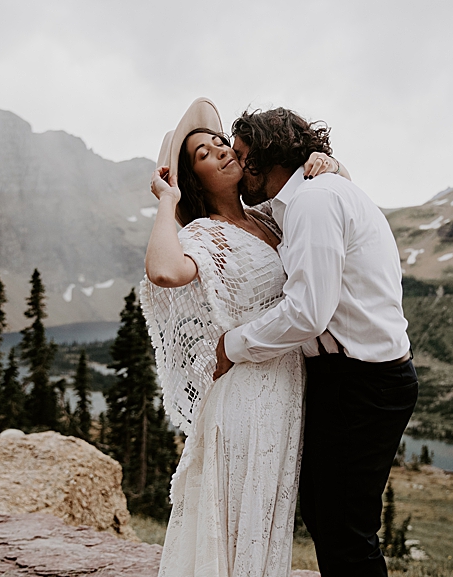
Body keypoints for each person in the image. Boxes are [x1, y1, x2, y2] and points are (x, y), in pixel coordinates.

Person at [139, 98, 344, 577]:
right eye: (204, 155)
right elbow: (164, 271)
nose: (220, 151)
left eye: (219, 143)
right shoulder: (206, 235)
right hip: (245, 397)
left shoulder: (269, 217)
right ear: (194, 181)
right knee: (239, 522)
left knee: (267, 523)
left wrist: (328, 164)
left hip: (287, 390)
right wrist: (167, 202)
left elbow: (334, 210)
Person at [217, 107, 415, 577]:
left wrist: (234, 344)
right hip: (347, 379)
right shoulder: (299, 198)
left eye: (243, 157)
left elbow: (308, 311)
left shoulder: (315, 201)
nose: (237, 165)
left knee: (344, 526)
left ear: (269, 156)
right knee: (330, 518)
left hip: (364, 383)